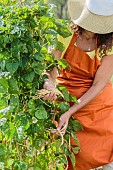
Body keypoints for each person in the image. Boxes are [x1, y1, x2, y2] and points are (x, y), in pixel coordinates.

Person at [43, 0, 113, 169]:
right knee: (67, 151)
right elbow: (50, 69)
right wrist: (49, 83)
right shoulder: (65, 34)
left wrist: (70, 111)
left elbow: (98, 86)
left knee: (107, 149)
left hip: (97, 102)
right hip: (67, 96)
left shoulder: (110, 44)